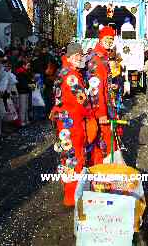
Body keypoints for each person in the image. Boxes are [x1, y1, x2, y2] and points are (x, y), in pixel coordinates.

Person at [50, 43, 92, 206]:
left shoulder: (63, 72)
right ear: (70, 57)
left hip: (64, 123)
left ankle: (69, 191)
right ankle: (73, 196)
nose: (80, 58)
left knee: (67, 157)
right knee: (75, 158)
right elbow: (82, 100)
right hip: (73, 123)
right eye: (77, 56)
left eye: (81, 55)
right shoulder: (72, 76)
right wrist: (91, 115)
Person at [86, 26, 117, 164]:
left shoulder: (102, 56)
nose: (110, 41)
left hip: (106, 105)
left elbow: (103, 83)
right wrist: (101, 113)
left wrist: (111, 86)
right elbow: (96, 89)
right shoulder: (97, 59)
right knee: (103, 143)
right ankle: (103, 172)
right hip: (101, 110)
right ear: (101, 38)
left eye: (112, 38)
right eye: (107, 38)